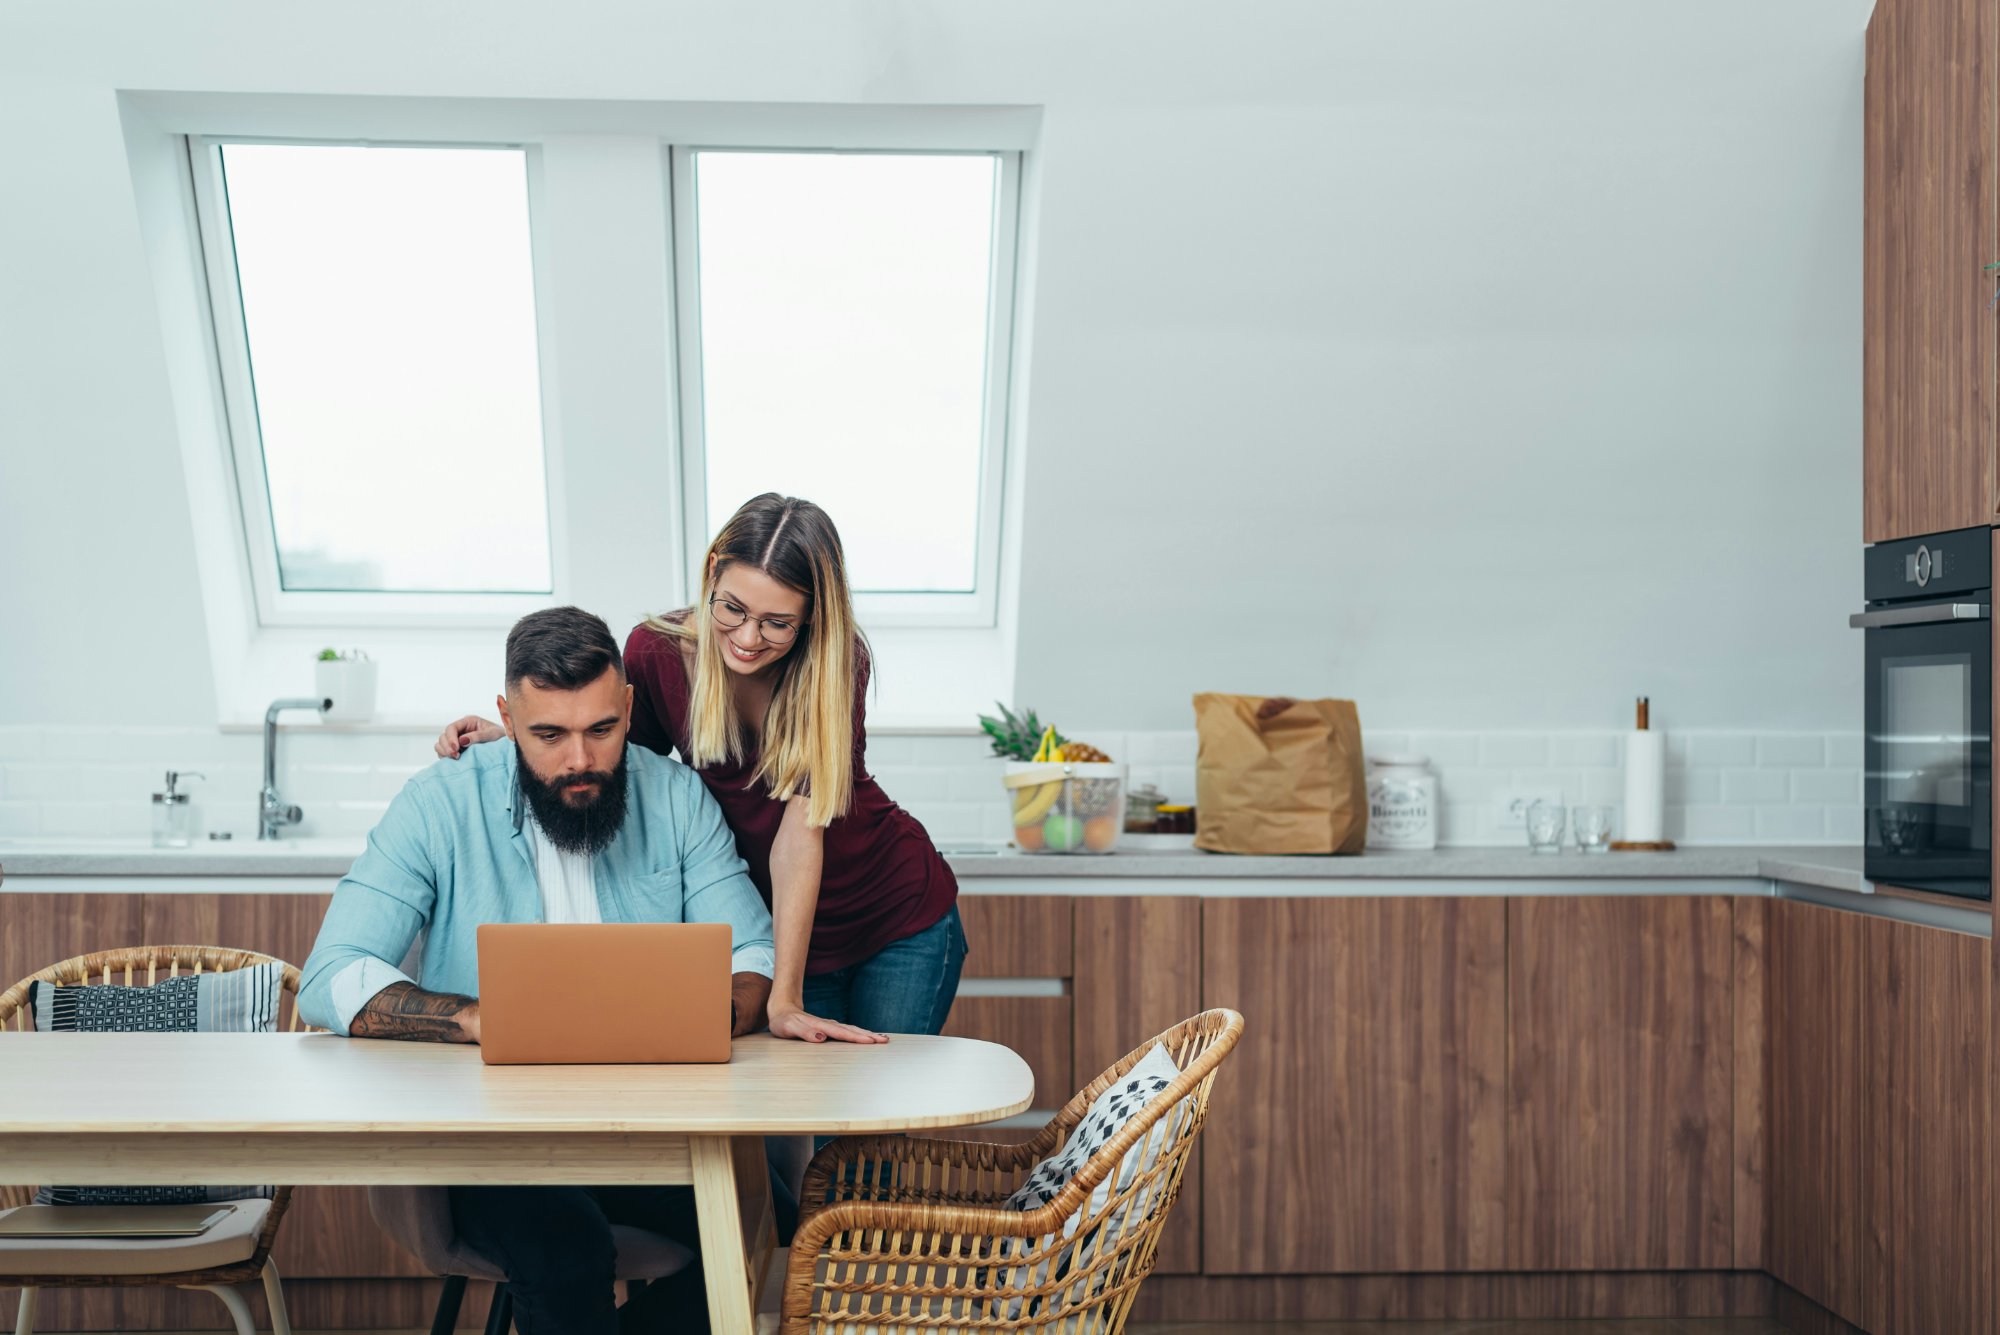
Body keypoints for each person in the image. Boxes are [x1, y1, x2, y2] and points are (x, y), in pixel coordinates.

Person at [300, 605, 776, 1335]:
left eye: (600, 730)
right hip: (492, 1145)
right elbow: (331, 974)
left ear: (628, 707)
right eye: (547, 734)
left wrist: (714, 1009)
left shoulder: (678, 799)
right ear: (506, 717)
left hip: (647, 1138)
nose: (578, 760)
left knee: (782, 1226)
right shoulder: (441, 801)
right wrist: (476, 1018)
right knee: (566, 1249)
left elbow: (754, 952)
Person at [438, 494, 967, 1046]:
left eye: (777, 623)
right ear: (712, 570)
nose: (746, 638)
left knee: (875, 1127)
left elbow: (799, 835)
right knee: (798, 1126)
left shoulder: (836, 663)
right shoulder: (657, 653)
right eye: (732, 608)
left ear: (812, 617)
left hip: (895, 916)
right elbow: (615, 763)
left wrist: (783, 998)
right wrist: (525, 737)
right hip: (778, 932)